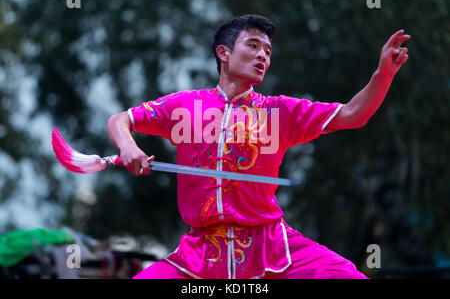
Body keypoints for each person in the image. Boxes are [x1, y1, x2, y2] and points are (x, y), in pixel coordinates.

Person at [107, 14, 410, 279]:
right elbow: (121, 119)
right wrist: (128, 147)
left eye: (267, 50)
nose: (262, 55)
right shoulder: (185, 105)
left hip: (272, 245)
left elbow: (352, 114)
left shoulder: (279, 112)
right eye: (252, 45)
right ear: (223, 53)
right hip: (200, 254)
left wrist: (382, 75)